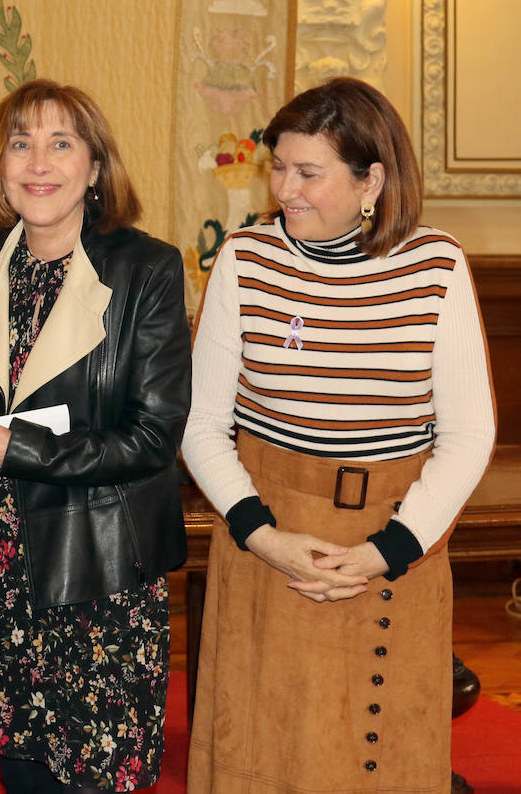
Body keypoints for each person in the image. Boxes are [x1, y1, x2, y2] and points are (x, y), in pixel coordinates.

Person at [183, 77, 495, 792]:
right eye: (279, 166)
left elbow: (469, 433)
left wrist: (389, 550)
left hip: (391, 548)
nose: (286, 188)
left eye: (309, 172)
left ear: (371, 181)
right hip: (269, 545)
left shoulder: (435, 266)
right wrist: (263, 535)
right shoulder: (245, 260)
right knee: (258, 758)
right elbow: (202, 424)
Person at [0, 79, 191, 792]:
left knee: (90, 775)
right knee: (21, 766)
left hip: (95, 567)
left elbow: (152, 437)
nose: (38, 162)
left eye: (61, 143)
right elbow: (1, 372)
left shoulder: (147, 269)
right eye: (20, 143)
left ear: (95, 166)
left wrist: (12, 448)